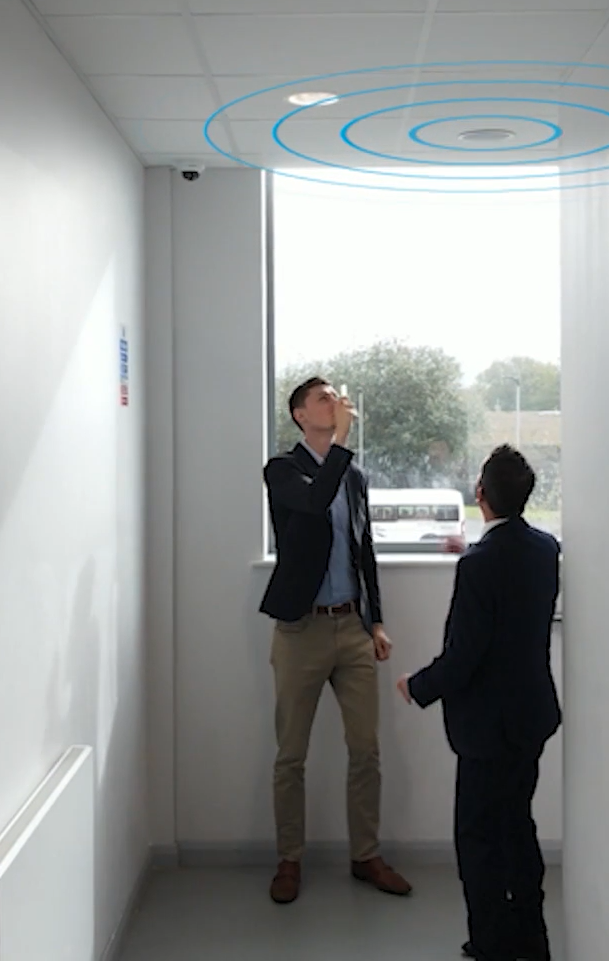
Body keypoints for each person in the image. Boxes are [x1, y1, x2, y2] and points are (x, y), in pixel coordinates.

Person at [398, 445, 561, 961]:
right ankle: (530, 937)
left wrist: (416, 686)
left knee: (478, 839)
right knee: (518, 825)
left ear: (480, 495)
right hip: (531, 715)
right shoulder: (543, 548)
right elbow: (508, 578)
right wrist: (468, 550)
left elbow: (464, 657)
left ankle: (491, 943)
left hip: (487, 728)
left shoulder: (480, 566)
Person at [258, 376, 412, 904]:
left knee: (366, 750)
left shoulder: (354, 477)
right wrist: (342, 444)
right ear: (300, 415)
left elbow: (363, 549)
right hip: (300, 630)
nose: (334, 403)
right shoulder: (282, 470)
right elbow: (310, 507)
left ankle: (365, 854)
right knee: (290, 755)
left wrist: (376, 620)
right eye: (322, 398)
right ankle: (289, 859)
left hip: (352, 628)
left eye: (335, 397)